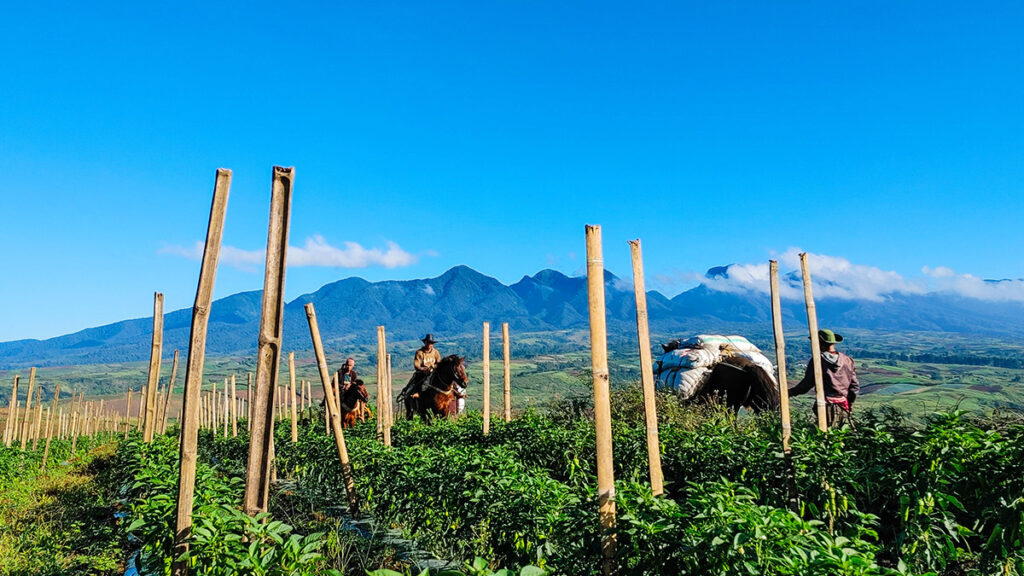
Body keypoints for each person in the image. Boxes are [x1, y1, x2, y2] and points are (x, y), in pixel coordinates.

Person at [789, 329, 859, 427]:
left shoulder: (818, 361)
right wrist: (849, 405)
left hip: (825, 407)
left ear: (820, 343)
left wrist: (790, 392)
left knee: (824, 435)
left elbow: (806, 384)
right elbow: (854, 387)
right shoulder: (848, 360)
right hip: (843, 406)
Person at [403, 334, 442, 399]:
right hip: (423, 373)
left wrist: (434, 367)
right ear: (425, 343)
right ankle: (419, 393)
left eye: (431, 343)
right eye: (428, 342)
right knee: (423, 381)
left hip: (434, 372)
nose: (430, 344)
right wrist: (424, 369)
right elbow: (417, 365)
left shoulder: (436, 352)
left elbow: (439, 363)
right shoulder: (419, 353)